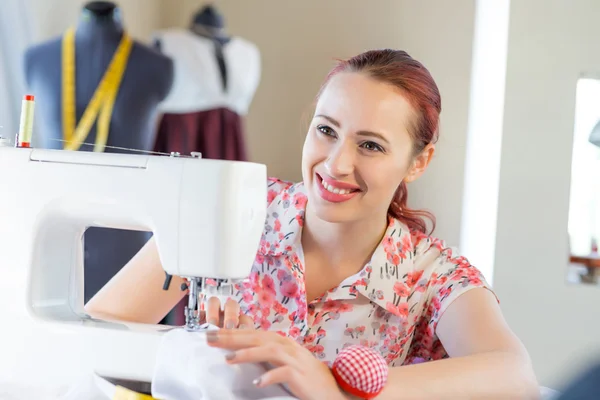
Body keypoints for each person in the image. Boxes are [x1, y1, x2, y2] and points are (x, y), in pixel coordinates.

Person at [85, 49, 540, 399]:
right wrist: (191, 353)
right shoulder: (233, 210)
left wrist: (340, 388)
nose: (336, 164)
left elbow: (515, 376)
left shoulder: (432, 276)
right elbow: (96, 336)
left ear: (419, 161)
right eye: (326, 130)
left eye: (371, 146)